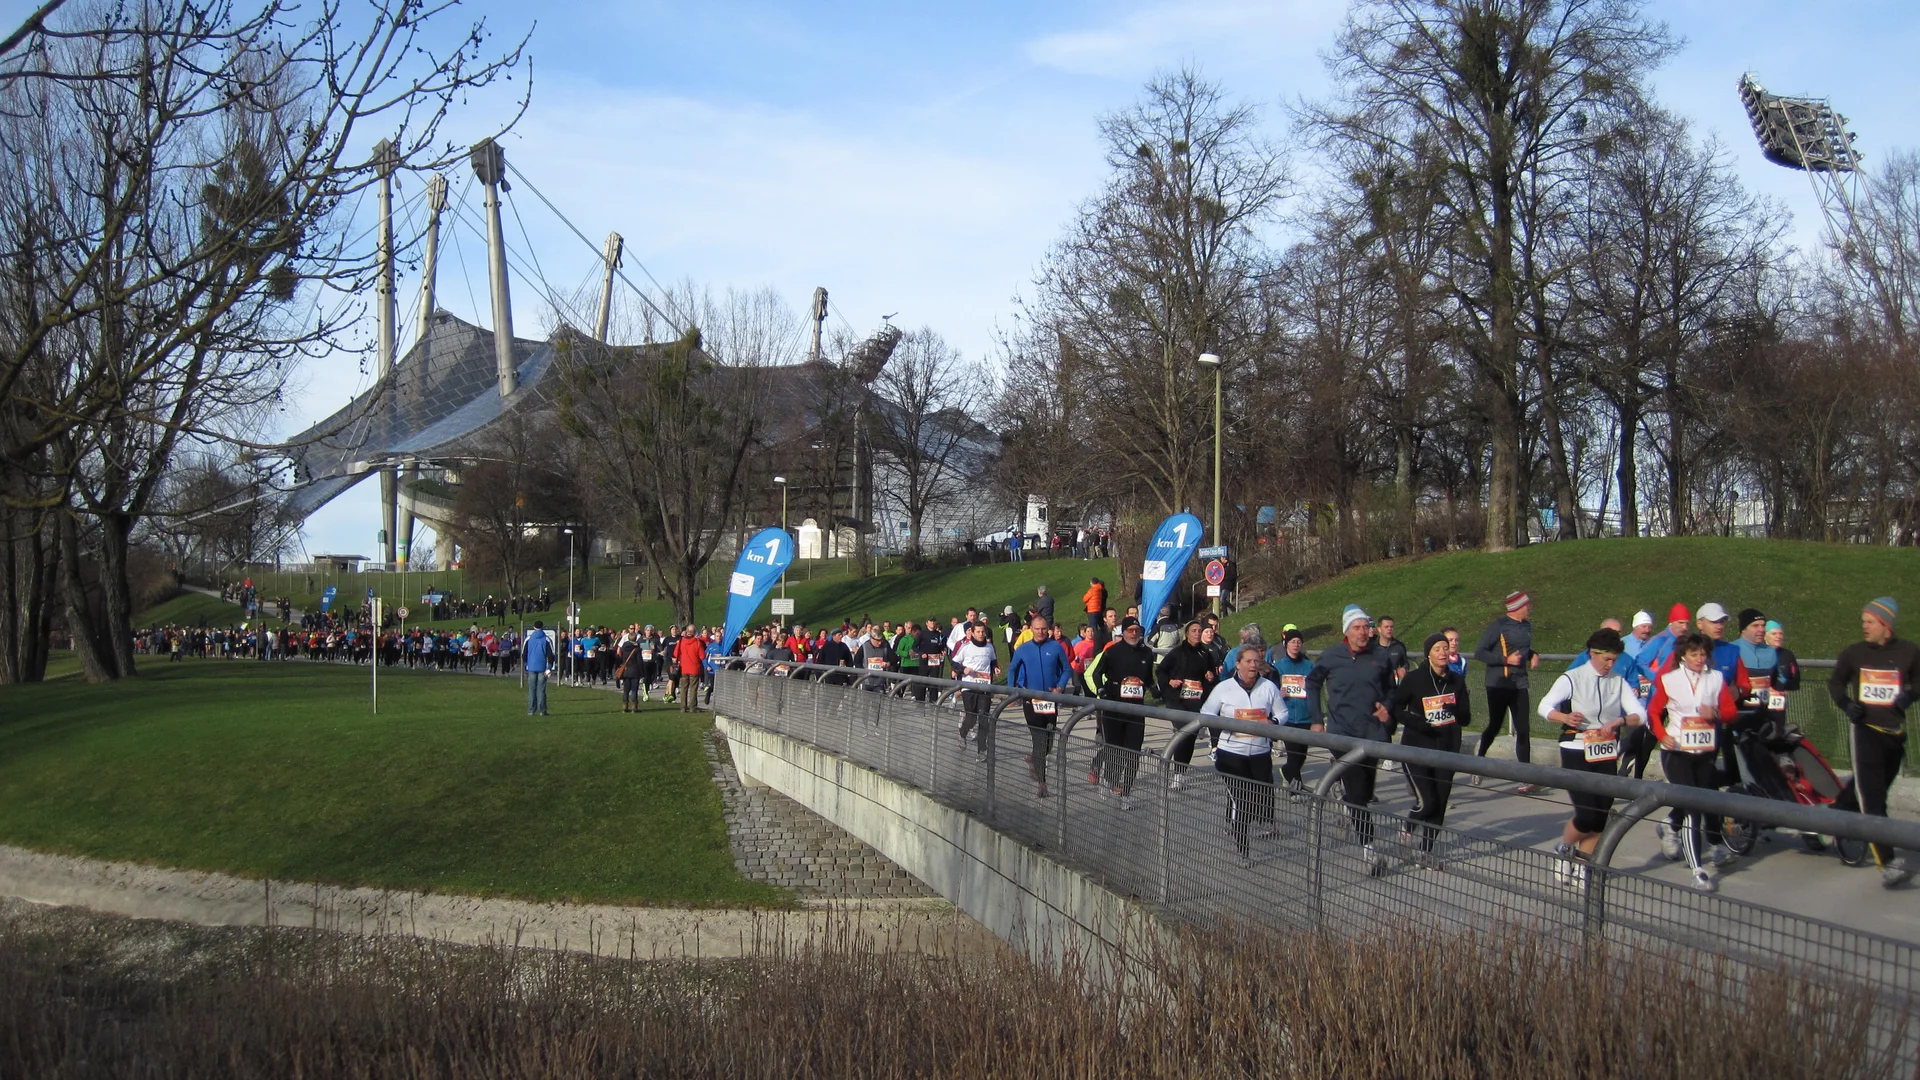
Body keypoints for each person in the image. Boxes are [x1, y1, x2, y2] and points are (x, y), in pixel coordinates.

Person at [1539, 627, 1647, 887]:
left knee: (1600, 815)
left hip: (1606, 751)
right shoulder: (1572, 678)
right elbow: (1544, 706)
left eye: (1614, 660)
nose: (1610, 665)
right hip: (1576, 749)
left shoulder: (1617, 682)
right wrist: (1564, 717)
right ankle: (1564, 849)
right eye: (1606, 659)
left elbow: (1640, 715)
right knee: (1586, 814)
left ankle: (1584, 865)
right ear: (1592, 654)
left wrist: (1619, 719)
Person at [1829, 597, 1920, 888]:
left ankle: (1829, 819)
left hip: (1894, 735)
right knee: (1873, 798)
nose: (1864, 626)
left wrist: (1909, 695)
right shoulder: (1854, 653)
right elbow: (1836, 682)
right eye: (1863, 621)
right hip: (1864, 731)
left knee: (1870, 788)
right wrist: (1846, 704)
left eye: (1869, 622)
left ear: (1885, 625)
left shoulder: (1909, 652)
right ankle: (1889, 861)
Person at [1306, 605, 1396, 875]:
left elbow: (1391, 689)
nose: (1363, 633)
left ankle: (1348, 801)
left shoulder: (1380, 656)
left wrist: (1387, 706)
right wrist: (1316, 718)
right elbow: (1312, 683)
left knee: (1365, 793)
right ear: (1347, 631)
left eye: (1366, 627)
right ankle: (1370, 851)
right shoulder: (1332, 656)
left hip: (1372, 733)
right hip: (1342, 733)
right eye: (1357, 628)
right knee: (1358, 796)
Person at [1647, 632, 1739, 892]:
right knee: (1692, 807)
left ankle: (1675, 829)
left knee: (1708, 799)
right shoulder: (1670, 679)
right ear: (1683, 656)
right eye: (1694, 654)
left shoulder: (1716, 678)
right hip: (1677, 750)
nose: (1699, 658)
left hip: (1704, 751)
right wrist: (1662, 735)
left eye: (1702, 654)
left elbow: (1731, 712)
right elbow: (1654, 711)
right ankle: (1698, 869)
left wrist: (1717, 712)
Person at [1391, 632, 1472, 869]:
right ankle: (1407, 828)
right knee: (1427, 802)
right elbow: (1396, 708)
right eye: (1438, 648)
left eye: (1446, 648)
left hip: (1447, 749)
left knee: (1440, 803)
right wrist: (1420, 723)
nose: (1443, 653)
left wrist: (1453, 709)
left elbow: (1466, 718)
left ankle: (1425, 853)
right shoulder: (1415, 679)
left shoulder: (1456, 681)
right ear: (1428, 654)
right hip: (1416, 747)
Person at [1202, 644, 1284, 867]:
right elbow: (1207, 713)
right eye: (1248, 661)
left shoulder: (1268, 687)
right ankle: (1243, 850)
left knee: (1257, 797)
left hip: (1260, 753)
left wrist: (1272, 723)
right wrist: (1224, 726)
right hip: (1231, 754)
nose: (1253, 665)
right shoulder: (1224, 688)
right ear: (1237, 664)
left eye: (1256, 661)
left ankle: (1252, 825)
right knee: (1241, 801)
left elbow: (1282, 713)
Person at [1472, 591, 1542, 790]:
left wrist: (1533, 655)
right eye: (1527, 605)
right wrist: (1506, 660)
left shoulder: (1527, 626)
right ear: (1517, 607)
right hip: (1498, 684)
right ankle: (1478, 763)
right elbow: (1480, 652)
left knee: (1523, 729)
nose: (1530, 608)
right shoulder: (1499, 626)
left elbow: (1524, 649)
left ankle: (1525, 776)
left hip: (1519, 684)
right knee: (1494, 726)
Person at [1088, 619, 1158, 808]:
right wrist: (1101, 690)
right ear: (1123, 631)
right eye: (1130, 630)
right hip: (1114, 708)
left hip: (1136, 711)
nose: (1134, 634)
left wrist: (1155, 688)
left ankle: (1126, 793)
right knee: (1114, 749)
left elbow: (1148, 678)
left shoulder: (1147, 653)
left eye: (1137, 630)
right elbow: (1095, 674)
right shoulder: (1112, 651)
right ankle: (1110, 780)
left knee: (1133, 753)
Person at [1006, 616, 1073, 797]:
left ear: (1048, 629)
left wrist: (1060, 687)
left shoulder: (1055, 647)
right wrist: (1013, 690)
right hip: (1031, 700)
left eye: (1043, 629)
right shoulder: (1024, 649)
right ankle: (1042, 783)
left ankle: (1034, 760)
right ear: (1031, 630)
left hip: (1050, 701)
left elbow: (1067, 669)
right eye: (1037, 629)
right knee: (1039, 739)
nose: (1040, 632)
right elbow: (1012, 669)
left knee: (1048, 742)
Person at [1156, 621, 1218, 787]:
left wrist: (1210, 677)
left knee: (1190, 738)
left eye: (1199, 631)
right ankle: (1176, 771)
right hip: (1177, 700)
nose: (1197, 634)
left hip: (1196, 700)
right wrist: (1170, 681)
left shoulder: (1205, 654)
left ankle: (1180, 774)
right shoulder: (1177, 653)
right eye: (1194, 631)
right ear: (1187, 634)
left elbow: (1211, 677)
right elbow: (1160, 670)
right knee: (1183, 732)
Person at [1265, 628, 1315, 794]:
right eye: (1292, 642)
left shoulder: (1309, 665)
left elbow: (1316, 687)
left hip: (1304, 715)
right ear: (1286, 645)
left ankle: (1287, 772)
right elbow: (1271, 689)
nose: (1295, 645)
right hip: (1287, 716)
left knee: (1301, 755)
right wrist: (1280, 692)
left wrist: (1308, 687)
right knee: (1293, 754)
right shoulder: (1278, 667)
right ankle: (1295, 790)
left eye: (1298, 642)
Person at [951, 621, 999, 753]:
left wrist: (995, 668)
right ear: (972, 633)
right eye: (978, 632)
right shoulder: (966, 647)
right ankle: (962, 732)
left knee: (984, 718)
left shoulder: (989, 647)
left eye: (982, 631)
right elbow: (954, 662)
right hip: (969, 686)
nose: (981, 634)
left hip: (985, 687)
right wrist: (963, 669)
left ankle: (982, 750)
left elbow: (993, 660)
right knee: (971, 718)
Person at [523, 620, 555, 716]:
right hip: (542, 667)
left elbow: (523, 654)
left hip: (531, 667)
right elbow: (551, 655)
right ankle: (542, 710)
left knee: (532, 689)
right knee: (541, 690)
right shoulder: (546, 639)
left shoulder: (528, 639)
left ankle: (531, 710)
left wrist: (527, 664)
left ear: (534, 627)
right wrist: (549, 667)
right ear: (543, 627)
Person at [673, 628, 709, 713]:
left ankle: (683, 707)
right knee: (693, 688)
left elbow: (675, 653)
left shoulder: (681, 641)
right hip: (694, 668)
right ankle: (692, 707)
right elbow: (702, 656)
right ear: (694, 632)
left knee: (683, 688)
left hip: (684, 668)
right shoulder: (697, 642)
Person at [615, 627, 644, 712]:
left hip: (626, 671)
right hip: (635, 670)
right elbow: (639, 661)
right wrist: (642, 672)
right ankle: (634, 707)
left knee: (626, 690)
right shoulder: (636, 649)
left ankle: (625, 707)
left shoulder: (624, 647)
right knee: (634, 689)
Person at [1083, 578, 1108, 646]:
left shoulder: (1092, 590)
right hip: (1098, 609)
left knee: (1093, 627)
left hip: (1092, 610)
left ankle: (1096, 642)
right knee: (1101, 625)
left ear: (1092, 583)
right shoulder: (1100, 590)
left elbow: (1084, 598)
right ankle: (1106, 637)